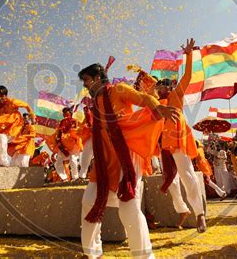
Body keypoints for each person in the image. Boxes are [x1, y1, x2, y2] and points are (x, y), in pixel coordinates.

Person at [78, 63, 179, 258]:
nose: (86, 85)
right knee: (89, 201)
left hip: (126, 154)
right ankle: (92, 254)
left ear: (98, 77)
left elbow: (144, 98)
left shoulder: (118, 89)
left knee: (128, 208)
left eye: (87, 80)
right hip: (104, 158)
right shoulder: (94, 104)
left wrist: (159, 108)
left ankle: (144, 256)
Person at [155, 38, 208, 233]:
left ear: (169, 87)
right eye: (157, 87)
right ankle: (182, 209)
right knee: (171, 181)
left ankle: (200, 214)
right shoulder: (156, 103)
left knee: (187, 176)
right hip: (162, 145)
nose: (158, 89)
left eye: (161, 87)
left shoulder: (176, 94)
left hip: (178, 142)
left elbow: (187, 75)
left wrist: (188, 55)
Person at [0, 85, 36, 167]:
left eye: (2, 96)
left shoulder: (12, 102)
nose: (0, 98)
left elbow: (26, 105)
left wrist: (32, 117)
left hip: (12, 129)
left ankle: (4, 163)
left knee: (2, 137)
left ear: (5, 95)